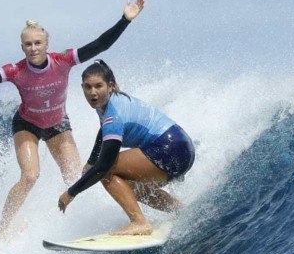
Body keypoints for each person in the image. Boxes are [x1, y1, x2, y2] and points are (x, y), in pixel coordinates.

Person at [0, 0, 145, 239]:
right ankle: (3, 230)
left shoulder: (64, 60)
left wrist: (125, 20)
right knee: (30, 176)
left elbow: (100, 44)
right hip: (27, 124)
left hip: (58, 124)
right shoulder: (15, 71)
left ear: (47, 44)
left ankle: (78, 223)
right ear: (22, 47)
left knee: (75, 178)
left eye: (38, 43)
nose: (33, 48)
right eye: (28, 44)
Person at [57, 60, 195, 236]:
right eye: (88, 87)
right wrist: (91, 161)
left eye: (98, 86)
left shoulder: (113, 116)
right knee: (126, 186)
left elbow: (104, 166)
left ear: (110, 86)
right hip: (182, 147)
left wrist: (71, 192)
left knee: (106, 172)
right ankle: (177, 208)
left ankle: (139, 223)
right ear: (82, 87)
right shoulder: (108, 103)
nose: (93, 92)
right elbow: (103, 133)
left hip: (168, 148)